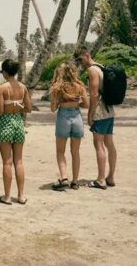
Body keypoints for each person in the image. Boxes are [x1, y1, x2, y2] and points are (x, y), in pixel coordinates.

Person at [74, 46, 117, 190]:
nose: (80, 63)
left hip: (100, 111)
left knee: (98, 145)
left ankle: (101, 179)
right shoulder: (100, 66)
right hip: (109, 109)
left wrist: (90, 114)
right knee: (109, 143)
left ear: (86, 55)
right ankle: (110, 177)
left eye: (80, 59)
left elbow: (93, 94)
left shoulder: (92, 70)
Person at [0, 59, 31, 205]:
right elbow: (28, 108)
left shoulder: (2, 88)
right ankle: (21, 195)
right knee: (19, 161)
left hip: (5, 124)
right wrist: (18, 105)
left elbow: (1, 111)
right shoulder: (23, 87)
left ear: (4, 72)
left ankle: (7, 196)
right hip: (18, 123)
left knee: (7, 162)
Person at [49, 62, 89, 191]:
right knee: (75, 152)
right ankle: (75, 181)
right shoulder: (79, 86)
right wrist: (75, 104)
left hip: (63, 118)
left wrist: (60, 102)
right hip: (76, 117)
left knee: (60, 151)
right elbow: (86, 104)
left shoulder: (56, 88)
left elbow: (53, 109)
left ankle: (64, 177)